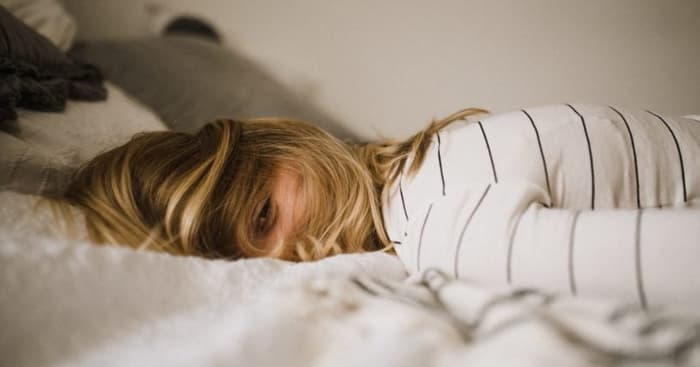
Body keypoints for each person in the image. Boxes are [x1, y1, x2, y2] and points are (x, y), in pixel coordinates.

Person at [57, 104, 700, 307]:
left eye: (262, 218)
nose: (283, 260)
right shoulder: (430, 161)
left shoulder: (441, 225)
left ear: (286, 143)